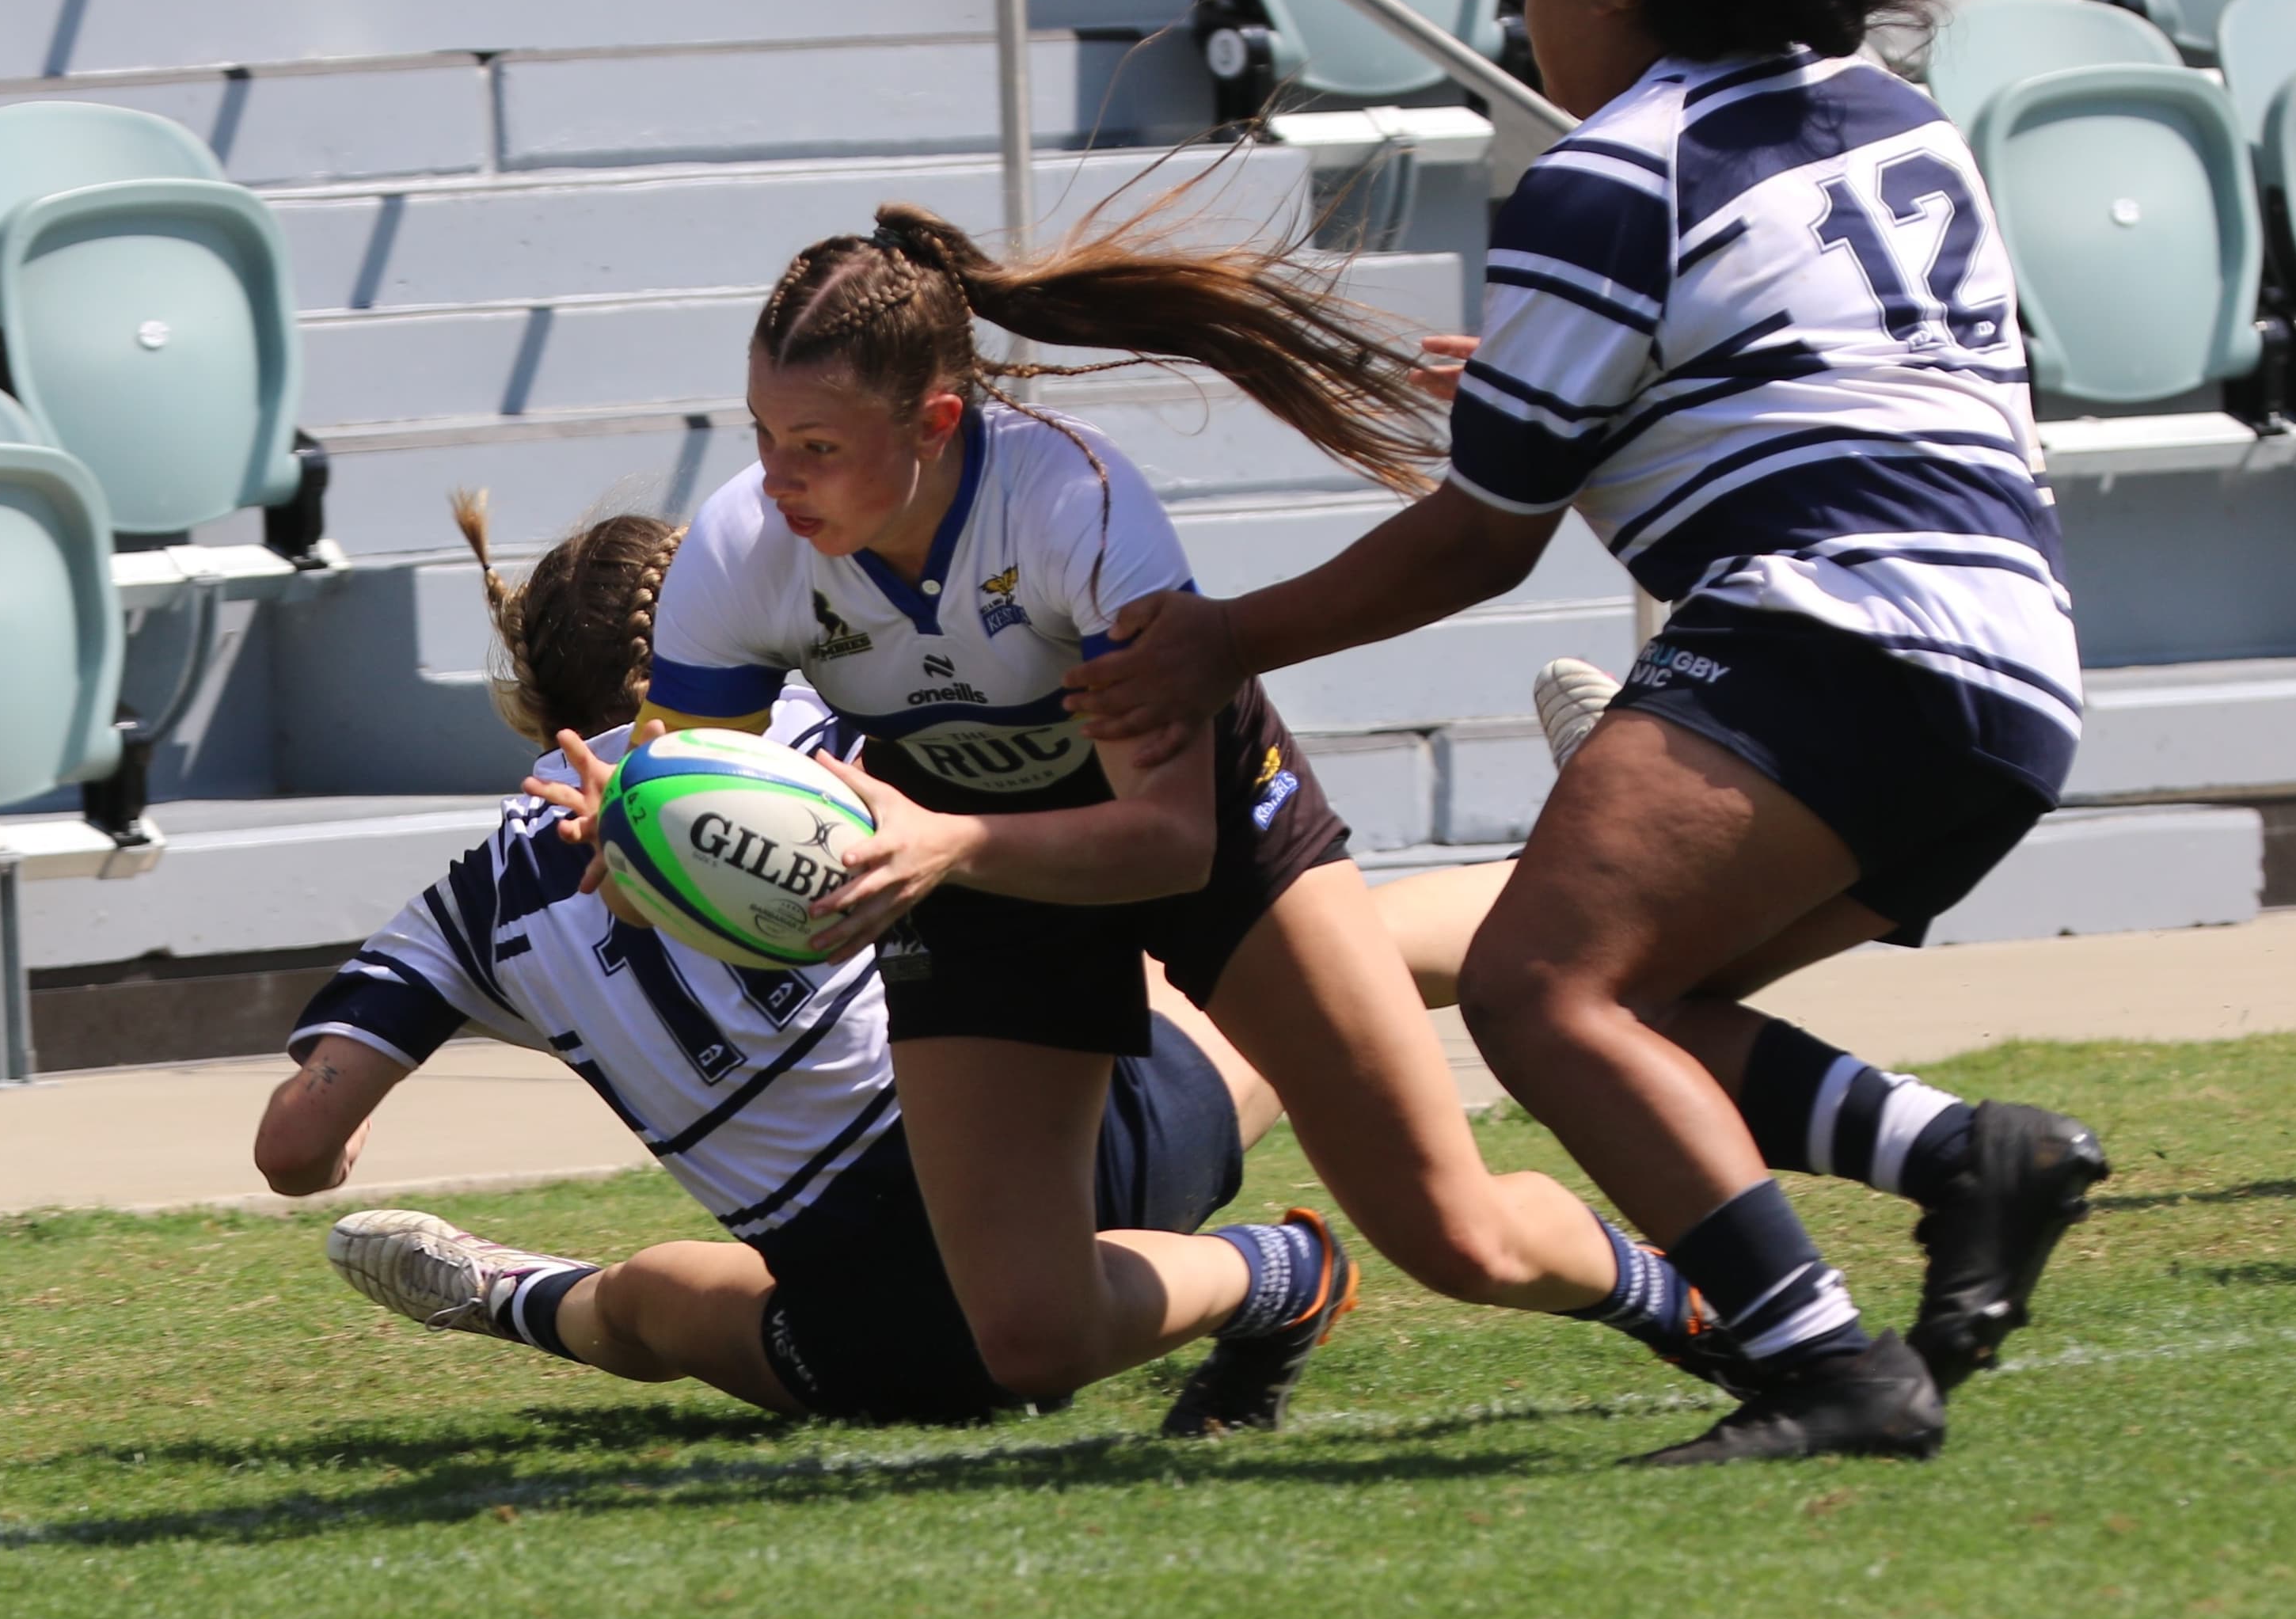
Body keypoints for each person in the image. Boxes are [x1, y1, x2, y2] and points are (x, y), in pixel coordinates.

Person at [1066, 0, 2107, 1465]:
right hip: (2014, 666)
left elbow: (1487, 538)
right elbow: (1820, 380)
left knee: (1537, 990)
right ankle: (1971, 1154)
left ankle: (1831, 1367)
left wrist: (1224, 642)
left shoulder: (1621, 164)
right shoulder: (1897, 113)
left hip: (1834, 632)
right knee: (1640, 1010)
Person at [530, 198, 1766, 1433]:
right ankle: (1284, 1277)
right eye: (761, 437)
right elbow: (692, 784)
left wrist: (951, 844)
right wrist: (638, 844)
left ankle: (1708, 1306)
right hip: (962, 857)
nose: (777, 479)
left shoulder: (1071, 504)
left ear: (937, 425)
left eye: (816, 446)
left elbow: (1169, 842)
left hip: (1194, 830)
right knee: (1027, 1338)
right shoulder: (744, 547)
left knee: (1459, 1236)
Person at [257, 500, 1511, 1428]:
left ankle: (507, 1293)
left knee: (660, 1302)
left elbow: (293, 1153)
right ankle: (1580, 926)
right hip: (1121, 1150)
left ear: (531, 698)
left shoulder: (468, 907)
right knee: (1311, 960)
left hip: (901, 1349)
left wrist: (336, 1127)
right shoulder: (837, 721)